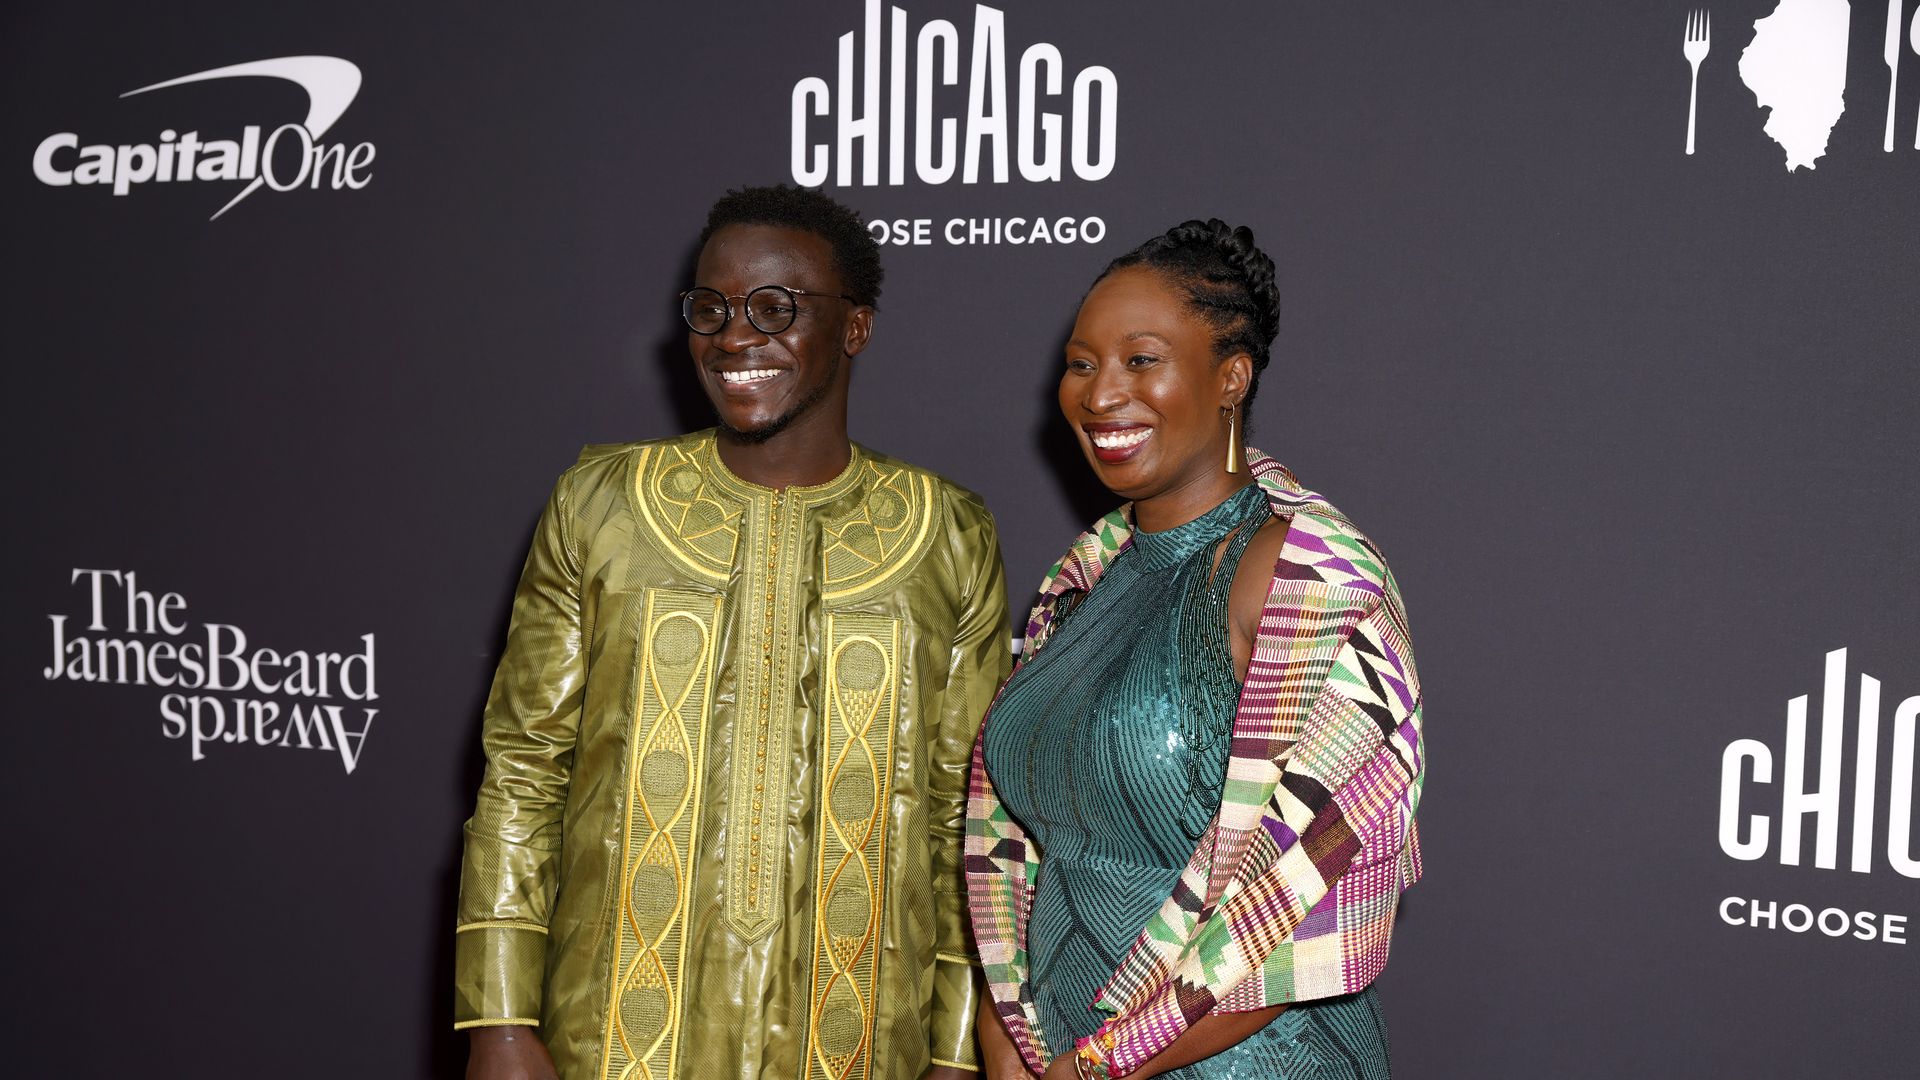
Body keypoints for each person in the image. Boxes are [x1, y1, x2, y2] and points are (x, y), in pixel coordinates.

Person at [454, 184, 1009, 1080]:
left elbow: (965, 820)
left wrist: (953, 1051)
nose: (735, 336)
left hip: (861, 1045)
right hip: (613, 1043)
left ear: (855, 327)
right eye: (710, 308)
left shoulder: (945, 533)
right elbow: (523, 773)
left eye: (775, 308)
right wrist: (502, 1018)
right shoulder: (601, 507)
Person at [965, 220, 1424, 1079]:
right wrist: (1005, 1033)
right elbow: (1028, 854)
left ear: (1230, 377)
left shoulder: (1302, 574)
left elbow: (1319, 888)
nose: (1101, 394)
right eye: (1081, 362)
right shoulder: (1083, 582)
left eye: (1141, 360)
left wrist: (1100, 1066)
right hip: (1059, 1051)